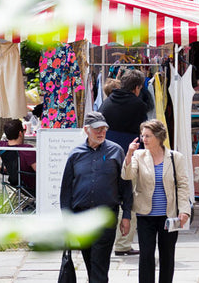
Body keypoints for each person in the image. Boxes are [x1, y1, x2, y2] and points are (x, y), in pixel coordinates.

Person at [60, 111, 133, 282]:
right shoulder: (75, 154)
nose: (101, 133)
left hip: (105, 216)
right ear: (86, 130)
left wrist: (127, 215)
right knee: (90, 262)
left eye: (104, 129)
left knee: (99, 264)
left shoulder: (116, 151)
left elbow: (125, 186)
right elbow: (66, 191)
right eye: (96, 129)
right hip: (81, 217)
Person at [122, 119, 190, 283]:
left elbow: (182, 185)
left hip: (169, 215)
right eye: (143, 135)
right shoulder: (139, 155)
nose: (144, 139)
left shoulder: (175, 157)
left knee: (167, 255)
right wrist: (129, 154)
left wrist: (184, 210)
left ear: (159, 137)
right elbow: (127, 175)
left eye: (148, 136)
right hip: (145, 214)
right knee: (146, 255)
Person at [99, 69, 148, 256]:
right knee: (129, 199)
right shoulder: (138, 105)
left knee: (108, 199)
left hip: (107, 158)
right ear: (137, 88)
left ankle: (105, 241)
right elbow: (143, 136)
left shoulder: (106, 103)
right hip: (129, 158)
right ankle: (123, 244)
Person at [0, 119, 36, 193]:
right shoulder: (28, 150)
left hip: (14, 183)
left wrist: (8, 171)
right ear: (20, 133)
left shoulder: (1, 146)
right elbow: (40, 171)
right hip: (31, 187)